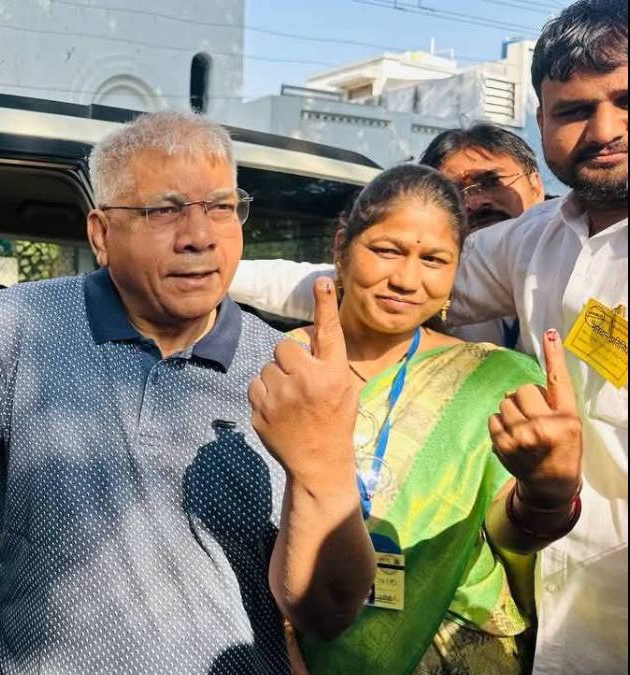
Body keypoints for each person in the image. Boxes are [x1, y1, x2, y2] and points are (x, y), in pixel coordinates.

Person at [228, 1, 627, 671]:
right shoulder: (532, 240)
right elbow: (369, 283)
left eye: (624, 99)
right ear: (541, 119)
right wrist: (205, 270)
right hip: (557, 619)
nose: (605, 129)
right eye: (574, 111)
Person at [0, 111, 376, 674]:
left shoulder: (282, 372)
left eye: (221, 208)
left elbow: (324, 613)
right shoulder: (23, 324)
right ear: (101, 235)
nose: (199, 238)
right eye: (165, 210)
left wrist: (321, 465)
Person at [270, 164, 580, 674]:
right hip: (291, 640)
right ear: (342, 246)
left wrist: (548, 492)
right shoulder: (279, 365)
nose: (406, 280)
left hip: (458, 649)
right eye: (387, 250)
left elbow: (511, 537)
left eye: (434, 259)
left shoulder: (496, 378)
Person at [420, 123, 546, 347]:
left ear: (535, 187)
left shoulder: (580, 250)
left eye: (491, 182)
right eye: (453, 192)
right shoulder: (422, 286)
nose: (475, 202)